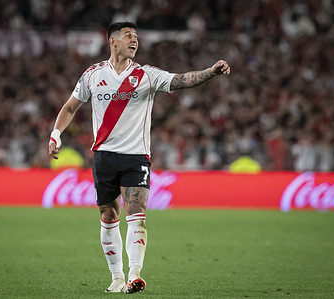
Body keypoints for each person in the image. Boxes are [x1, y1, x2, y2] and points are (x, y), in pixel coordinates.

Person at [48, 22, 230, 294]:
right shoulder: (92, 75)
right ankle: (116, 278)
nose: (134, 40)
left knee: (137, 214)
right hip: (104, 157)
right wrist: (55, 133)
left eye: (136, 37)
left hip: (136, 158)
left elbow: (181, 79)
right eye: (128, 36)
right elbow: (70, 106)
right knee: (108, 215)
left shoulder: (146, 74)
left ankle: (134, 275)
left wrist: (210, 72)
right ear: (112, 41)